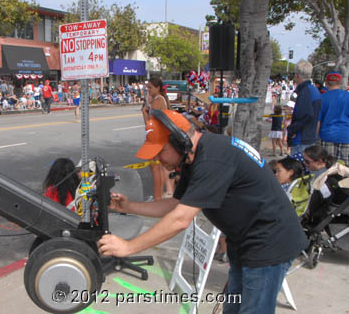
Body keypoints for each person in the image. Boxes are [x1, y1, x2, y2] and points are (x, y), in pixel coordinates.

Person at [98, 109, 308, 314]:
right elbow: (176, 205)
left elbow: (180, 219)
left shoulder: (212, 158)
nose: (158, 160)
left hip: (269, 241)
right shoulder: (193, 157)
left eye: (160, 151)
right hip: (244, 241)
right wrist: (128, 206)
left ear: (179, 141)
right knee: (233, 308)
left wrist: (129, 246)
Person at [141, 77, 173, 201]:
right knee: (157, 168)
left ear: (158, 88)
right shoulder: (160, 99)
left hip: (156, 137)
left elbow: (150, 123)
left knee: (155, 168)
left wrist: (144, 112)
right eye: (147, 87)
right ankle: (158, 196)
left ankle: (157, 197)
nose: (148, 90)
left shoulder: (158, 100)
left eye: (150, 87)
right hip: (159, 137)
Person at [287, 60, 321, 155]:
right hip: (309, 136)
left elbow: (306, 115)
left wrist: (291, 130)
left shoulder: (305, 91)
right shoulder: (314, 90)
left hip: (301, 139)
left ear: (297, 75)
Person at [317, 71, 349, 165]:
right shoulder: (347, 97)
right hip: (345, 136)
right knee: (345, 169)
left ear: (326, 83)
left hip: (327, 135)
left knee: (327, 167)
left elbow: (318, 121)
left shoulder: (321, 98)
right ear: (340, 82)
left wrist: (317, 138)